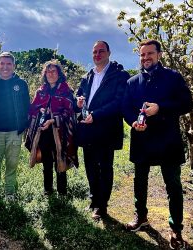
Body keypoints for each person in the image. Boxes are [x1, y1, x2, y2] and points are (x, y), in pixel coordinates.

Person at [122, 39, 193, 249]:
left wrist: (160, 108)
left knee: (173, 186)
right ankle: (141, 217)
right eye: (142, 55)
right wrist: (133, 122)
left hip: (167, 140)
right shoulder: (132, 82)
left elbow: (187, 104)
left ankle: (176, 229)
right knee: (140, 182)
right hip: (142, 139)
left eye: (150, 54)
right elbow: (125, 108)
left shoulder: (173, 77)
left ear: (159, 55)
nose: (145, 58)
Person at [76, 41, 130, 220]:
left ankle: (102, 206)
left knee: (104, 168)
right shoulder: (88, 75)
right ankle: (94, 200)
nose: (97, 54)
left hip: (106, 129)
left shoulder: (119, 75)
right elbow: (79, 95)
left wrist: (97, 115)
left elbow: (119, 102)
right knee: (90, 166)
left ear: (109, 53)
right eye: (94, 52)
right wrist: (79, 102)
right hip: (87, 128)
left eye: (101, 51)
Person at [25, 60, 78, 196]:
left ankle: (62, 192)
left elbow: (70, 111)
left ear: (59, 73)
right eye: (48, 71)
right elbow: (32, 110)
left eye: (53, 71)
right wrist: (40, 112)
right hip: (43, 132)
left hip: (60, 132)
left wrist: (53, 119)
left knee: (60, 160)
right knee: (46, 161)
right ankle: (48, 190)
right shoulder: (41, 91)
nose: (50, 74)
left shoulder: (66, 90)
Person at [0, 52, 30, 200]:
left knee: (12, 164)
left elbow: (27, 106)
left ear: (13, 66)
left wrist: (24, 126)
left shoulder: (21, 84)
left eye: (8, 64)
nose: (5, 67)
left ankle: (10, 193)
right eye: (2, 63)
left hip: (15, 132)